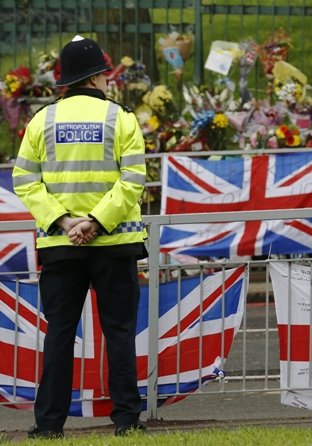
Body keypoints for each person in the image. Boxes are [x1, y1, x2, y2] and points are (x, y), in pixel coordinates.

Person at [12, 35, 148, 439]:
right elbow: (134, 179)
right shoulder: (121, 118)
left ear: (67, 80)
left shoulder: (42, 120)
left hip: (60, 246)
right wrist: (96, 221)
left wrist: (64, 221)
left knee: (59, 334)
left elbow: (24, 180)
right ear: (98, 76)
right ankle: (126, 420)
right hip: (114, 243)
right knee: (119, 332)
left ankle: (49, 424)